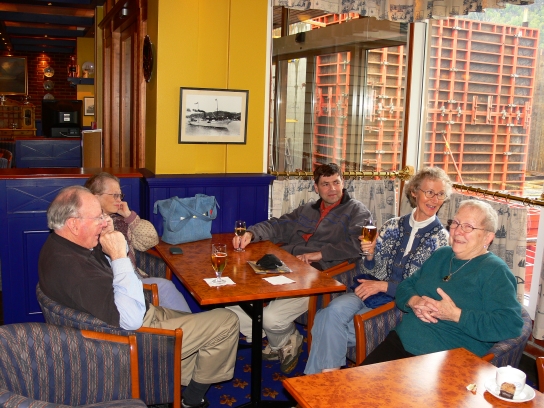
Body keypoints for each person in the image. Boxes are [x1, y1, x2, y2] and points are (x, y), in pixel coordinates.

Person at [38, 186, 239, 408]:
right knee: (227, 321)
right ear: (74, 224)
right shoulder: (74, 269)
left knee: (200, 331)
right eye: (98, 218)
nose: (104, 222)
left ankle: (170, 386)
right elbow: (131, 320)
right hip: (133, 338)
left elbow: (110, 284)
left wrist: (107, 242)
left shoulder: (62, 247)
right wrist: (119, 255)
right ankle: (191, 399)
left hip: (135, 316)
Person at [304, 167, 452, 375]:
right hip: (370, 289)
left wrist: (384, 286)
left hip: (401, 302)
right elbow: (368, 269)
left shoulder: (442, 241)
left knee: (327, 325)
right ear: (414, 192)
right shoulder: (392, 226)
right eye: (429, 192)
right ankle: (327, 384)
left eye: (440, 194)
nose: (435, 200)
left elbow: (426, 287)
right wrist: (370, 255)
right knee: (329, 314)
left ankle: (321, 383)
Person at [229, 163, 371, 374]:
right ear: (316, 187)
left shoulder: (357, 211)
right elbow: (278, 225)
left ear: (343, 183)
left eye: (336, 182)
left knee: (269, 318)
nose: (332, 189)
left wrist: (320, 254)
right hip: (286, 267)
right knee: (232, 298)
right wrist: (251, 233)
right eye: (326, 184)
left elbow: (358, 245)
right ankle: (282, 340)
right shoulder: (307, 209)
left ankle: (284, 338)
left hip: (317, 276)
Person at [362, 199, 523, 366]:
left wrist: (456, 314)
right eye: (456, 223)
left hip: (445, 359)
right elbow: (405, 287)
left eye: (468, 227)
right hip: (400, 342)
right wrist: (415, 301)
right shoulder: (442, 255)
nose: (458, 231)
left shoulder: (495, 271)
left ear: (488, 237)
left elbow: (510, 325)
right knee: (353, 381)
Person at [84, 172, 191, 312]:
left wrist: (129, 216)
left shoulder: (120, 222)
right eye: (114, 195)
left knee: (166, 288)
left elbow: (150, 240)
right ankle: (190, 324)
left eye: (120, 195)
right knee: (166, 287)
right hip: (115, 284)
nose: (119, 200)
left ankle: (186, 323)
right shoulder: (87, 226)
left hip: (134, 276)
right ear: (95, 197)